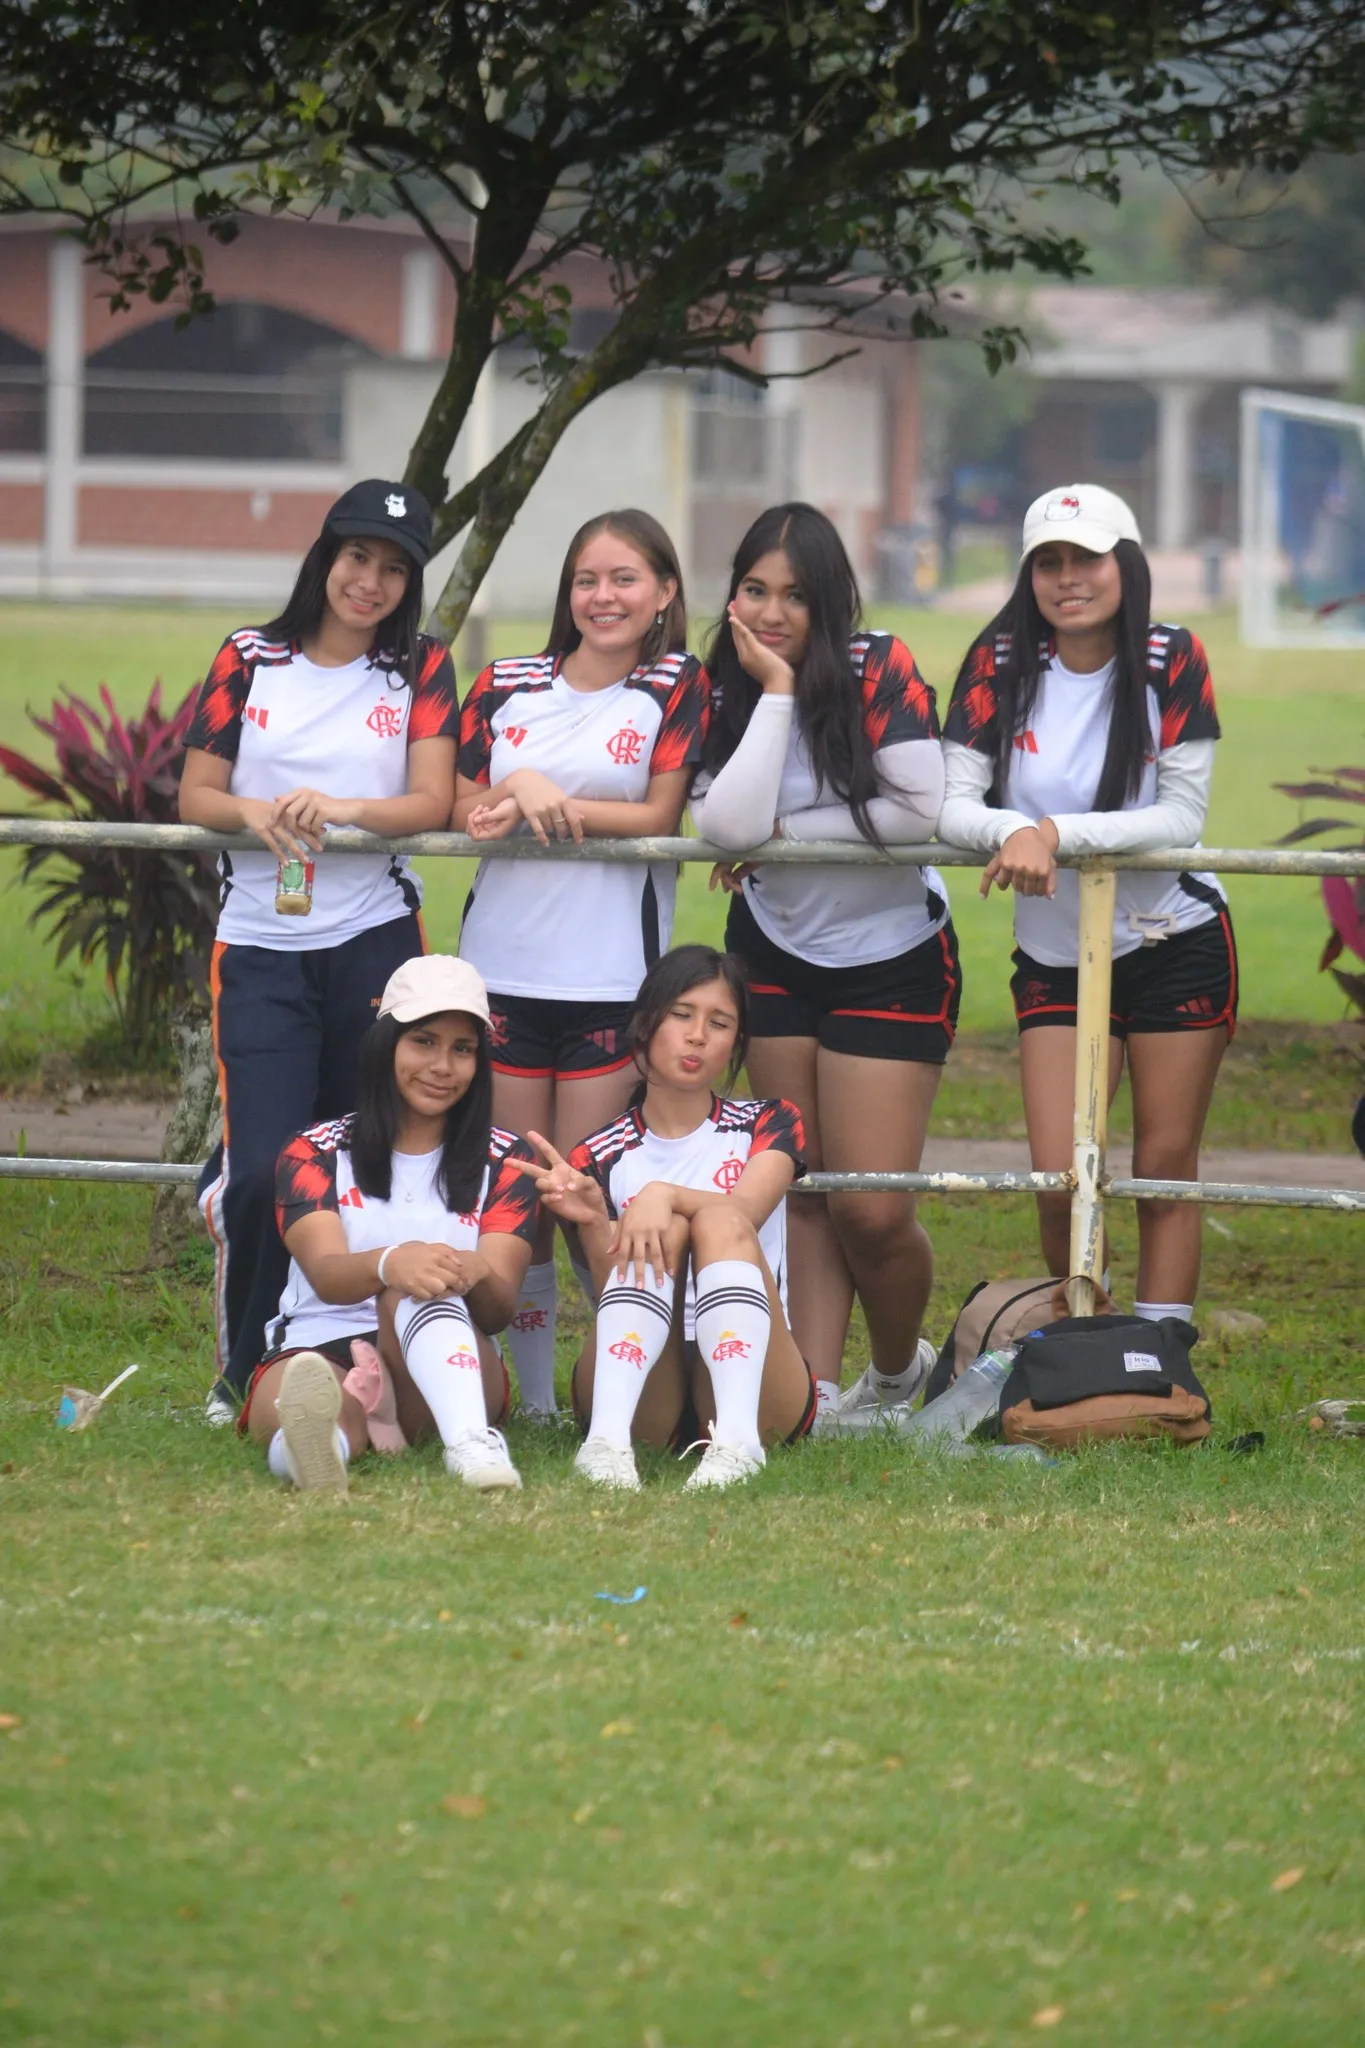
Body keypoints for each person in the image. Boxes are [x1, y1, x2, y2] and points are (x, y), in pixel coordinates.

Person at [179, 480, 458, 1424]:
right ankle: (244, 1366)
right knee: (264, 1167)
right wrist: (253, 813)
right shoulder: (248, 656)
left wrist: (340, 811)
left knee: (364, 1156)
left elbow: (430, 802)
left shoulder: (421, 665)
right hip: (260, 947)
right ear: (325, 557)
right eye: (357, 557)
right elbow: (196, 794)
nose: (370, 582)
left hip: (374, 943)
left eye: (394, 568)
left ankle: (353, 1358)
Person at [939, 482, 1237, 1324]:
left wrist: (1052, 833)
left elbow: (1181, 817)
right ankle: (1095, 1348)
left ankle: (1160, 1352)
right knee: (1058, 1176)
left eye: (1087, 558)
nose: (1068, 578)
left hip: (1173, 937)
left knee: (1163, 1166)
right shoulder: (997, 661)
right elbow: (950, 803)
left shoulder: (1171, 657)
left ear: (1125, 565)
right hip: (1055, 953)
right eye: (1048, 562)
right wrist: (1012, 829)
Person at [688, 503, 957, 1426]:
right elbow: (724, 828)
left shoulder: (879, 665)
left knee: (870, 1208)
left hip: (890, 954)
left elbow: (915, 811)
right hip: (772, 949)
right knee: (801, 1190)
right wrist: (772, 691)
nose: (772, 613)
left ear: (831, 600)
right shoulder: (721, 683)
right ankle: (815, 1391)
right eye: (755, 590)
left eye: (796, 596)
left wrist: (787, 832)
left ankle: (898, 1374)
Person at [452, 509, 709, 1418]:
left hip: (609, 982)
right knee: (520, 1196)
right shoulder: (504, 683)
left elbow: (660, 816)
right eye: (586, 580)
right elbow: (457, 805)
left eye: (624, 579)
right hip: (502, 973)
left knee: (588, 1194)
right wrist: (517, 785)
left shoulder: (675, 683)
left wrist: (538, 802)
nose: (603, 597)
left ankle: (627, 1391)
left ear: (664, 591)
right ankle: (532, 1404)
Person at [516, 945, 814, 1492]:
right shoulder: (595, 1157)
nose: (698, 1035)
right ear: (644, 1024)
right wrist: (593, 1222)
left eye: (719, 1023)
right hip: (643, 1375)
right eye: (681, 1015)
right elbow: (608, 1295)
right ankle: (605, 1445)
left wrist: (661, 1194)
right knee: (666, 1232)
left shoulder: (770, 1120)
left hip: (759, 1376)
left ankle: (738, 1446)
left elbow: (744, 1213)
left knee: (714, 1222)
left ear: (736, 1043)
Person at [239, 954, 540, 1493]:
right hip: (321, 1342)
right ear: (386, 1046)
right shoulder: (313, 1152)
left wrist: (474, 1273)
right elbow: (327, 1276)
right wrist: (389, 1262)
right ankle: (320, 1449)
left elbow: (497, 1313)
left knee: (422, 1284)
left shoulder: (508, 1160)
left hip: (449, 1355)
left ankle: (471, 1444)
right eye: (423, 1042)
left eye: (463, 1049)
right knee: (308, 1403)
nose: (443, 1066)